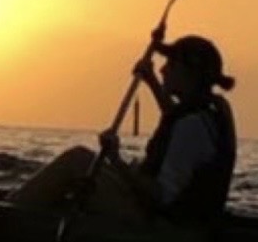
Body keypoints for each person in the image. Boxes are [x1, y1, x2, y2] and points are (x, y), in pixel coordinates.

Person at [12, 34, 238, 223]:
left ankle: (12, 210)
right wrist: (151, 82)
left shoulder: (191, 127)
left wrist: (116, 160)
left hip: (157, 221)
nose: (163, 70)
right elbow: (175, 119)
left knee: (77, 161)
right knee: (86, 161)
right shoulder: (210, 110)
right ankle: (21, 200)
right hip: (163, 213)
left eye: (171, 64)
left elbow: (161, 197)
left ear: (189, 73)